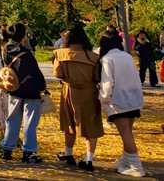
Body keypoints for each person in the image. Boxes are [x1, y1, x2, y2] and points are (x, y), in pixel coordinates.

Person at [54, 23, 104, 172]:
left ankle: (68, 154)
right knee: (90, 125)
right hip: (89, 93)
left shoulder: (60, 53)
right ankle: (89, 159)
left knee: (69, 122)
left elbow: (58, 74)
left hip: (69, 91)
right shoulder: (94, 57)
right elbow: (97, 77)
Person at [99, 32, 145, 177]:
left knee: (126, 135)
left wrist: (103, 99)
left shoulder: (107, 59)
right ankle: (125, 160)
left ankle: (136, 167)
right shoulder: (127, 56)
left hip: (118, 102)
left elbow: (107, 84)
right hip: (133, 100)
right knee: (128, 134)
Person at [0, 22, 46, 163]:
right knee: (29, 122)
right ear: (24, 36)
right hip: (31, 90)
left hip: (13, 89)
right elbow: (35, 73)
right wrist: (42, 87)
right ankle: (28, 152)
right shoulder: (26, 54)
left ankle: (7, 149)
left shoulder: (5, 50)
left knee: (12, 120)